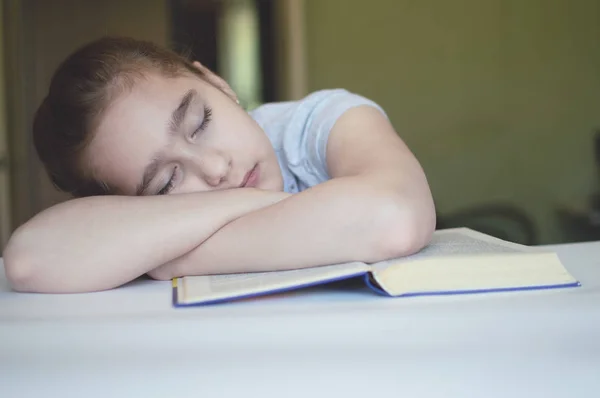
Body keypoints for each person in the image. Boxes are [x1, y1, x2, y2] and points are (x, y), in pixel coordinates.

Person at [3, 37, 436, 293]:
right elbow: (28, 261)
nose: (215, 168)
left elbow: (395, 216)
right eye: (167, 182)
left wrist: (177, 258)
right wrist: (245, 205)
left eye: (200, 122)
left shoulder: (324, 121)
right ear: (128, 205)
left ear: (216, 83)